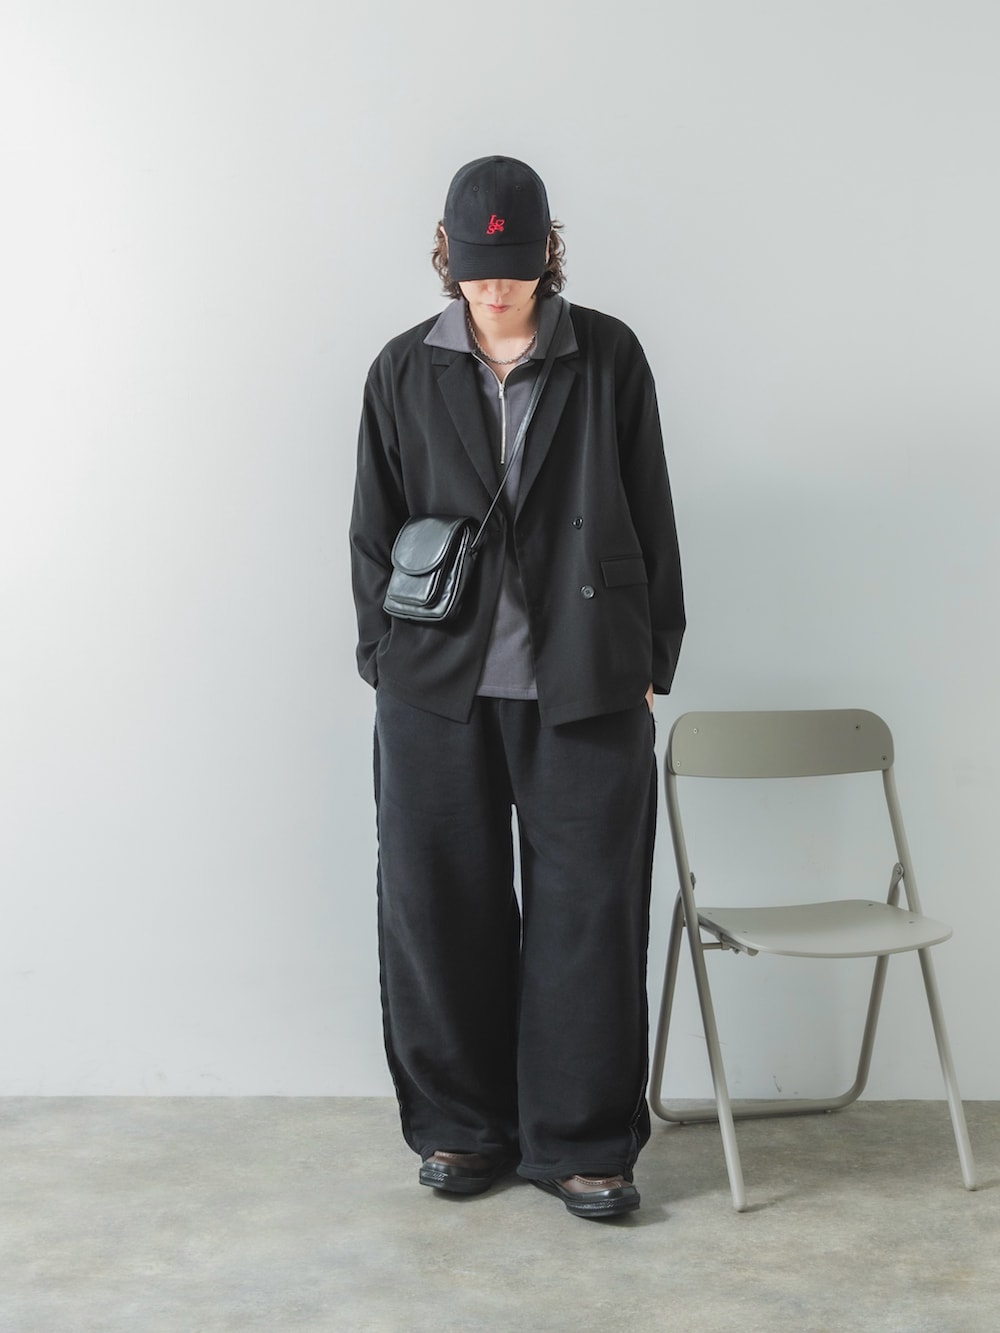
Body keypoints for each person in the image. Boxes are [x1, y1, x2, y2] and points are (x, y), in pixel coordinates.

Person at [350, 156, 684, 1219]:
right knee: (437, 908)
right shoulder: (403, 369)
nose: (493, 287)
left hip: (585, 682)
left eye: (514, 266)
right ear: (445, 257)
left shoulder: (607, 355)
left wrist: (650, 659)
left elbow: (650, 507)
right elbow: (371, 530)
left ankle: (582, 1143)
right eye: (474, 267)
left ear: (550, 252)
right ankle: (463, 1128)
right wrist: (384, 662)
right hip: (434, 689)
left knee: (590, 914)